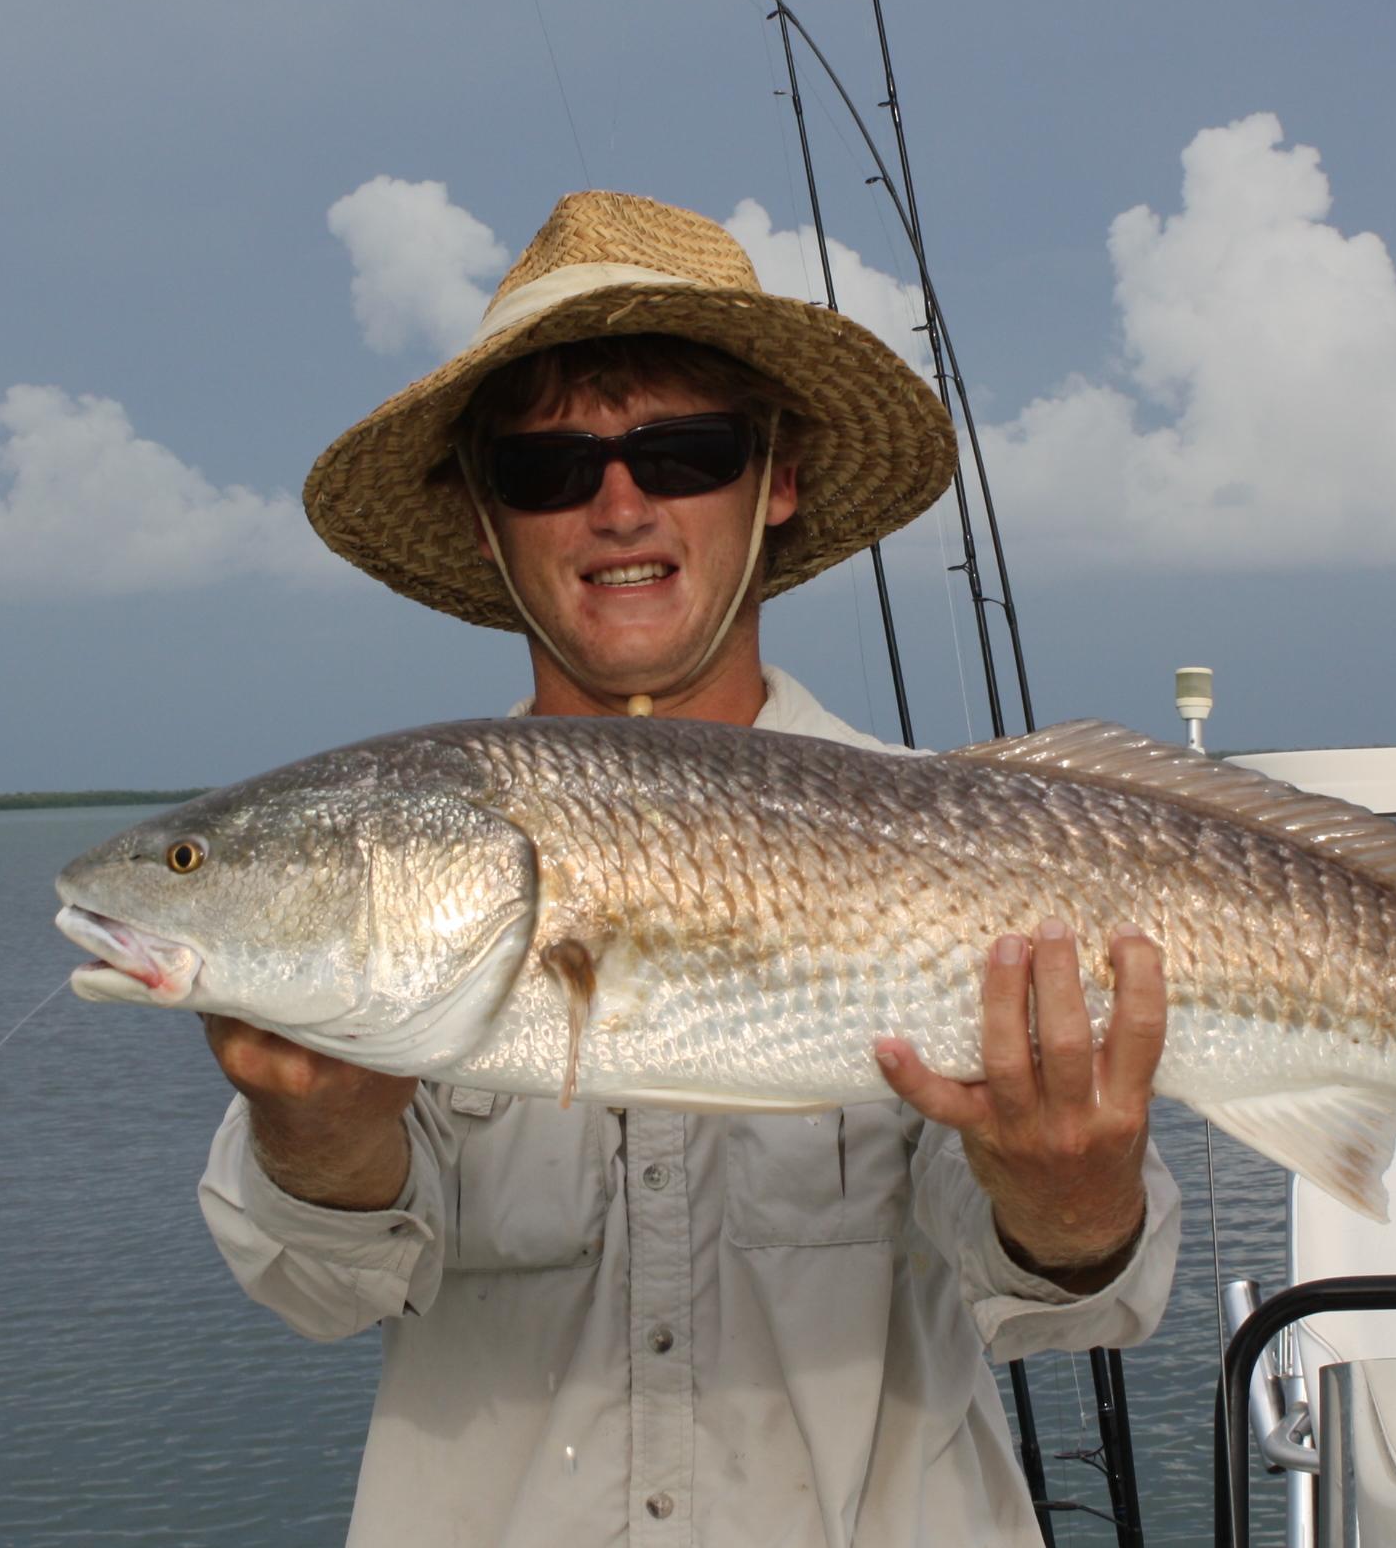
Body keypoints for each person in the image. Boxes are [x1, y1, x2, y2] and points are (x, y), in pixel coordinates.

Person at [198, 190, 1179, 1545]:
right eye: (545, 468)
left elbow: (1081, 1299)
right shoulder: (403, 853)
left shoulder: (968, 845)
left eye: (684, 451)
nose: (616, 505)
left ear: (775, 480)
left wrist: (1075, 1203)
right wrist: (317, 1134)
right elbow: (314, 1287)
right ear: (486, 519)